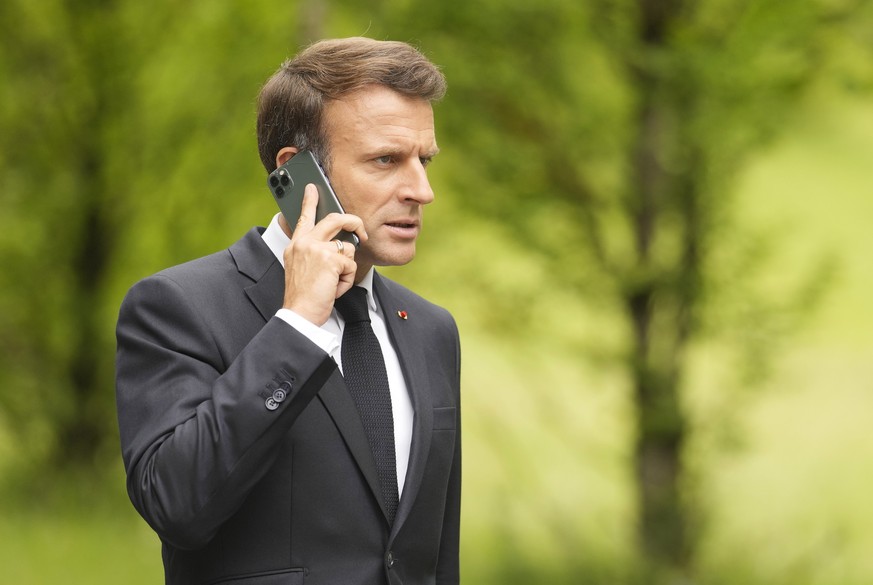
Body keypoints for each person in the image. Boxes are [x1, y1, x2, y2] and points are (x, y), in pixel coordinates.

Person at [115, 37, 461, 585]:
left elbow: (433, 557)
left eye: (424, 160)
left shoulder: (432, 331)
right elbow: (177, 505)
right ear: (298, 172)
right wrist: (297, 324)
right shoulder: (175, 308)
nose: (422, 190)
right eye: (386, 160)